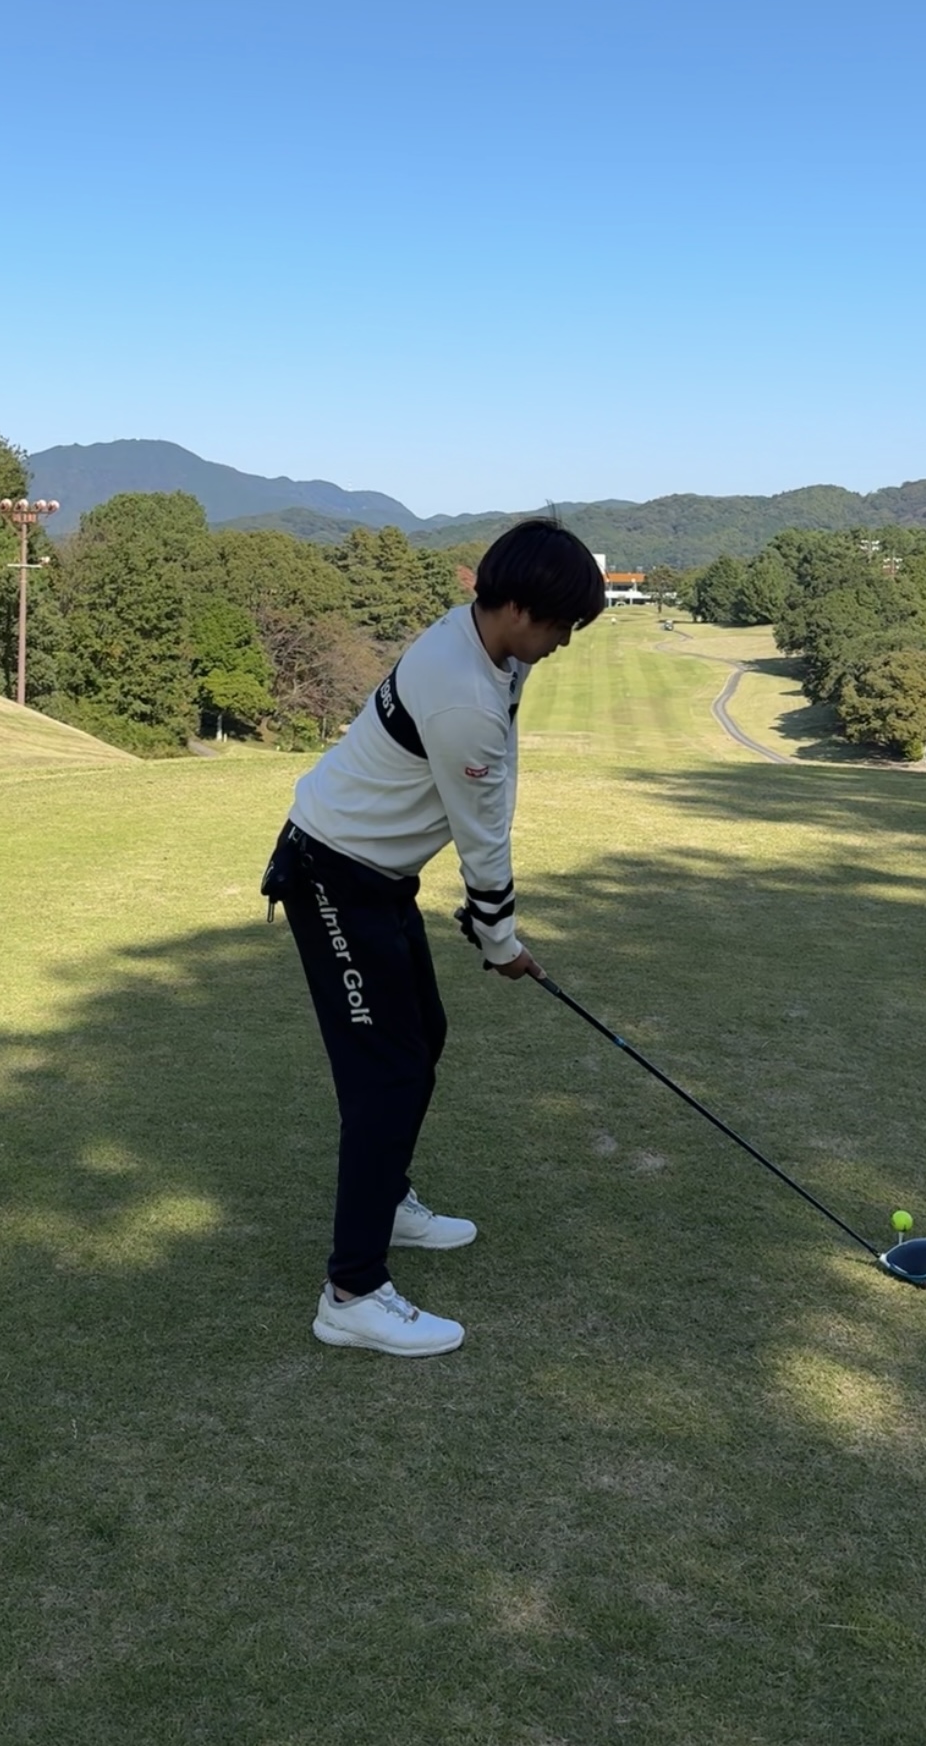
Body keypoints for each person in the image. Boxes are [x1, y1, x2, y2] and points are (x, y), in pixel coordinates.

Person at [260, 517, 604, 1358]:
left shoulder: (483, 643)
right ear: (516, 608)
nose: (563, 642)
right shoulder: (463, 697)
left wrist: (490, 923)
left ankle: (386, 1203)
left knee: (424, 1038)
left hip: (377, 877)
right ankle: (352, 1292)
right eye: (562, 624)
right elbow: (483, 836)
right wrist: (500, 940)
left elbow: (485, 804)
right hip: (333, 875)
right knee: (386, 1075)